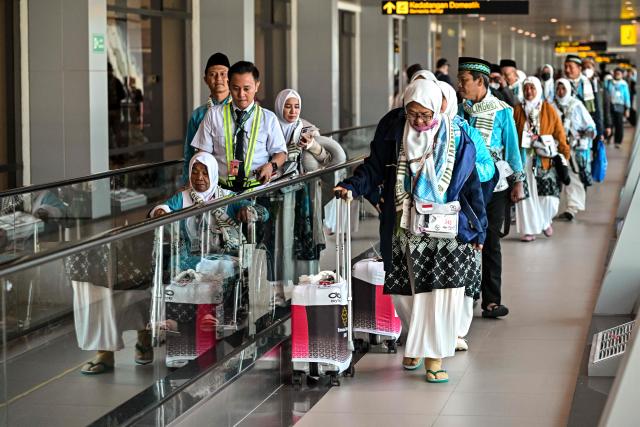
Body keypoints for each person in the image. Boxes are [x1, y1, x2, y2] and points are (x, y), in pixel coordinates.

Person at [334, 79, 487, 384]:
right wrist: (351, 186)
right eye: (412, 114)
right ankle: (417, 342)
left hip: (447, 232)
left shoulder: (458, 139)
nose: (418, 121)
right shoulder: (394, 134)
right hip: (405, 228)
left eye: (425, 115)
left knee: (441, 296)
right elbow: (374, 168)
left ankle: (434, 357)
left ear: (436, 110)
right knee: (408, 296)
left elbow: (472, 188)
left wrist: (479, 230)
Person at [457, 57, 525, 319]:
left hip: (495, 186)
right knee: (463, 238)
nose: (460, 86)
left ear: (480, 81)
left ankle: (491, 300)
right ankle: (464, 296)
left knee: (491, 241)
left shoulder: (502, 111)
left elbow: (512, 148)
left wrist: (518, 182)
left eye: (464, 81)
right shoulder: (458, 110)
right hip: (464, 185)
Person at [191, 61, 287, 192]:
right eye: (236, 88)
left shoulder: (269, 119)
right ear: (229, 85)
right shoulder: (213, 115)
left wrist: (271, 166)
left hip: (258, 190)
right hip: (221, 191)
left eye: (247, 89)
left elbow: (281, 153)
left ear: (257, 86)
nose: (241, 94)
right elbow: (203, 153)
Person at [513, 77, 570, 241]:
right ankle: (529, 229)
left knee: (549, 198)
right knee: (526, 194)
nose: (529, 92)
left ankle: (544, 222)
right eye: (526, 89)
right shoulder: (517, 110)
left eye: (532, 88)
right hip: (524, 160)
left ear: (539, 90)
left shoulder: (549, 109)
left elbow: (560, 133)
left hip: (545, 160)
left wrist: (564, 154)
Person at [182, 52, 232, 183]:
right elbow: (189, 154)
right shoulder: (198, 114)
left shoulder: (240, 110)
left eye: (223, 74)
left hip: (235, 180)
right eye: (212, 74)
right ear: (205, 80)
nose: (218, 78)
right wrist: (186, 182)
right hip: (206, 182)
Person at [553, 79, 596, 221]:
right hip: (556, 147)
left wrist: (582, 134)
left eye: (563, 89)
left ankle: (572, 208)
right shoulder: (551, 106)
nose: (560, 92)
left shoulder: (577, 105)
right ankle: (555, 208)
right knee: (556, 177)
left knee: (573, 177)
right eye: (558, 89)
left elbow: (590, 126)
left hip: (573, 148)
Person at [608, 68, 632, 148]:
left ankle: (617, 141)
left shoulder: (623, 84)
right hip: (610, 105)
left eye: (619, 73)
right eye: (616, 73)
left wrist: (627, 108)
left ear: (622, 75)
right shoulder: (609, 82)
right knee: (609, 122)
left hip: (620, 106)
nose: (617, 75)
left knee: (619, 124)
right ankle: (608, 137)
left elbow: (627, 97)